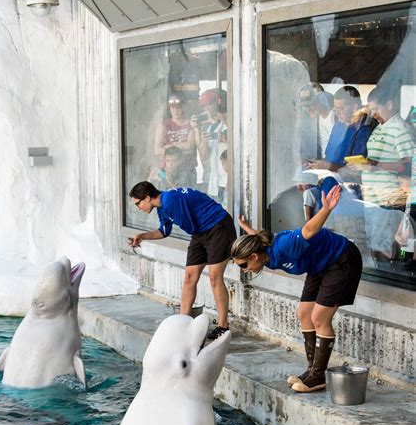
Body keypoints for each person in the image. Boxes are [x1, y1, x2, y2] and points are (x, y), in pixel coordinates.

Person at [231, 180, 363, 393]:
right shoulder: (266, 254)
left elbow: (309, 230)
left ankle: (318, 377)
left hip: (342, 259)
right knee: (304, 313)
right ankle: (312, 371)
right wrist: (247, 229)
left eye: (244, 265)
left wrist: (327, 209)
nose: (245, 270)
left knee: (319, 317)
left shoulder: (284, 246)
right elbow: (260, 239)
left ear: (254, 256)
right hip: (319, 265)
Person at [128, 181, 236, 339]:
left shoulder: (170, 201)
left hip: (218, 227)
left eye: (138, 203)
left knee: (214, 277)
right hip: (200, 231)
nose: (138, 208)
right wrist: (142, 236)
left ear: (147, 197)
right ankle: (182, 324)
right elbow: (164, 231)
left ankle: (223, 326)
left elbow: (189, 226)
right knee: (189, 278)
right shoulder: (162, 206)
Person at [360, 85, 414, 263]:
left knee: (383, 247)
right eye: (371, 110)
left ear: (389, 104)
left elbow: (409, 165)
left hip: (387, 199)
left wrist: (376, 165)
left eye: (376, 109)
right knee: (374, 243)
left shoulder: (400, 129)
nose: (373, 114)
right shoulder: (379, 127)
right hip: (372, 198)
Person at [191, 89, 227, 200]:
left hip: (230, 179)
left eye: (209, 105)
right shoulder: (210, 127)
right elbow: (204, 157)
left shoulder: (232, 121)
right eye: (204, 107)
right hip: (216, 181)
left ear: (219, 101)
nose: (207, 109)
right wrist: (204, 141)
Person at [153, 93, 196, 183]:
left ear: (183, 107)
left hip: (187, 169)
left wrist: (168, 147)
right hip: (168, 170)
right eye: (173, 107)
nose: (176, 110)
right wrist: (181, 146)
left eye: (178, 107)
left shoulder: (190, 124)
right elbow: (157, 150)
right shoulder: (164, 125)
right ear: (170, 108)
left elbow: (190, 146)